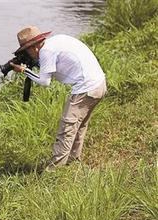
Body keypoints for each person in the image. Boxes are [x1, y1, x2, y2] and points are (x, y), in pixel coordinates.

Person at [10, 26, 107, 169]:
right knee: (79, 126)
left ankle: (54, 172)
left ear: (33, 48)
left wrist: (24, 70)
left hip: (86, 88)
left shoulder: (45, 51)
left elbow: (45, 82)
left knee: (66, 129)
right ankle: (72, 163)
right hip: (99, 84)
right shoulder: (56, 41)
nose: (28, 55)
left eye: (27, 51)